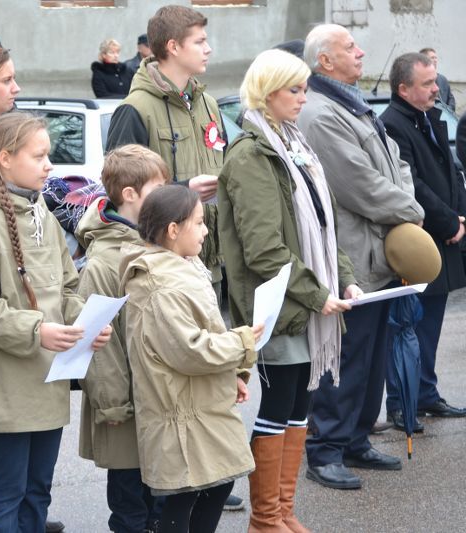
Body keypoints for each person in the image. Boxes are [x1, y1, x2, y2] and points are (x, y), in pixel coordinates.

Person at [0, 112, 112, 532]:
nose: (49, 165)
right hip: (1, 387)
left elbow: (67, 287)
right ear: (4, 159)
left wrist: (84, 323)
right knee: (2, 495)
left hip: (44, 381)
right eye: (39, 156)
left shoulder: (41, 214)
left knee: (37, 492)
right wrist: (39, 330)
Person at [218, 48, 360, 531]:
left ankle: (283, 511)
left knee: (299, 407)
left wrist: (346, 278)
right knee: (278, 407)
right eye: (295, 89)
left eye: (305, 88)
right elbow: (263, 250)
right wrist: (319, 293)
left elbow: (326, 225)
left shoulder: (294, 141)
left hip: (306, 299)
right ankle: (264, 518)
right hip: (276, 304)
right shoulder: (251, 154)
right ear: (267, 91)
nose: (304, 97)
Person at [297, 25, 426, 490]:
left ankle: (355, 440)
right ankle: (325, 449)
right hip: (352, 257)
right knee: (345, 358)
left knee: (372, 358)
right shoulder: (320, 113)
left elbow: (398, 165)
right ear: (324, 62)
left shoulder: (352, 103)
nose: (361, 51)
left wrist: (407, 204)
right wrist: (412, 210)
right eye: (350, 47)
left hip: (380, 254)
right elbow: (360, 185)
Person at [120, 184, 262, 533]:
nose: (206, 230)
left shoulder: (184, 265)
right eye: (199, 223)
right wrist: (242, 343)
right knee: (186, 493)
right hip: (179, 405)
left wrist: (231, 375)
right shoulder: (160, 284)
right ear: (173, 230)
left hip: (198, 399)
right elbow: (190, 349)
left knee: (217, 484)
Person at [106, 5, 226, 304]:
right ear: (173, 46)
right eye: (199, 42)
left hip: (210, 262)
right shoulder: (135, 109)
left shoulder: (208, 104)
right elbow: (120, 193)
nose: (208, 49)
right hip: (161, 268)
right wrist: (185, 190)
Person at [75, 145, 168, 533]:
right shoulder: (103, 261)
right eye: (157, 186)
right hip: (124, 405)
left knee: (160, 502)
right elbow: (100, 344)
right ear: (129, 195)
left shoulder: (158, 242)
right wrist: (113, 405)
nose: (166, 193)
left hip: (157, 398)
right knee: (130, 506)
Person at [380, 52, 466, 421]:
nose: (436, 89)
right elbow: (410, 185)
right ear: (403, 89)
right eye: (428, 84)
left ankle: (427, 393)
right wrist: (449, 223)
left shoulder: (427, 117)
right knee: (407, 329)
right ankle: (402, 403)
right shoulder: (393, 124)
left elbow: (451, 173)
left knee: (430, 326)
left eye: (435, 81)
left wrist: (459, 217)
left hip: (443, 237)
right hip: (420, 240)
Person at [420, 47, 456, 113]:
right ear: (423, 60)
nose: (435, 60)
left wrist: (447, 111)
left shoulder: (442, 79)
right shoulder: (419, 79)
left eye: (436, 58)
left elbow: (450, 99)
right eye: (432, 58)